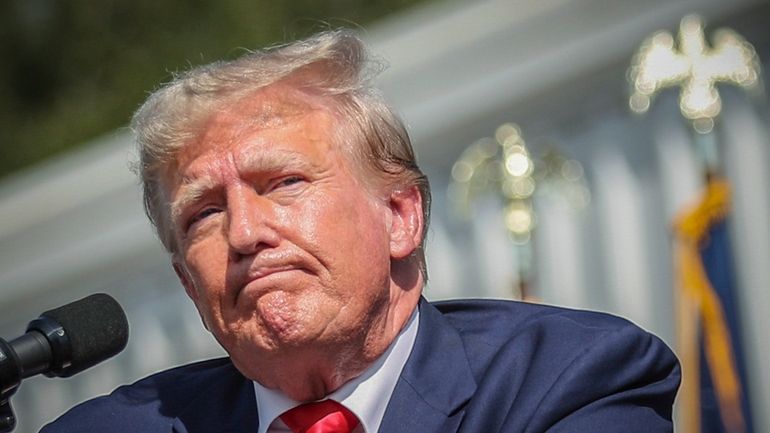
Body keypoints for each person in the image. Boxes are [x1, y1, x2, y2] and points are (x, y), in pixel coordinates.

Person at [41, 30, 679, 433]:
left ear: (400, 216)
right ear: (186, 282)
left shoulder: (567, 382)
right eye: (203, 213)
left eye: (284, 183)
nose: (243, 233)